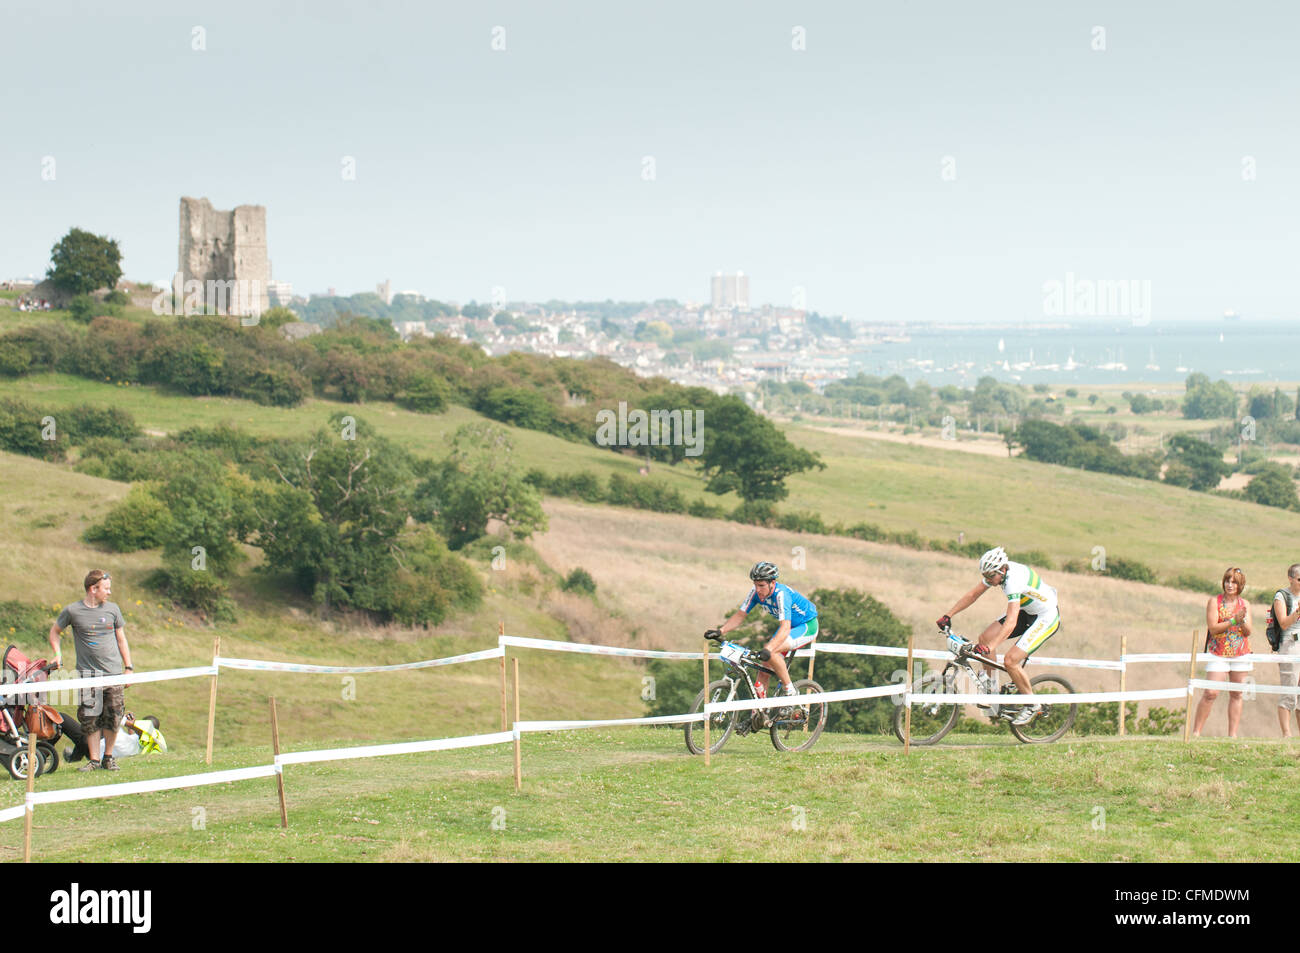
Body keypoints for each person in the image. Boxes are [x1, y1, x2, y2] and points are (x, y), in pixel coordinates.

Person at [935, 546, 1062, 726]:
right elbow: (973, 595)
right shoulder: (998, 572)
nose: (987, 580)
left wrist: (991, 647)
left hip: (1045, 617)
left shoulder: (1012, 581)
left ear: (1002, 570)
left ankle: (1032, 704)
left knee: (1010, 661)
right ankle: (992, 691)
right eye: (985, 576)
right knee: (984, 638)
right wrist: (948, 615)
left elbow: (1010, 622)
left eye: (990, 577)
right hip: (1027, 612)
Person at [47, 569, 135, 771]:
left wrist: (128, 668)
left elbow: (121, 639)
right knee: (90, 719)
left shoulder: (113, 610)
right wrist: (58, 653)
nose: (109, 592)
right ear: (93, 589)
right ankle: (94, 760)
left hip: (113, 674)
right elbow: (55, 632)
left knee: (113, 718)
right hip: (88, 676)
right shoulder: (72, 611)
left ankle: (108, 758)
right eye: (106, 588)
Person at [710, 561, 818, 704]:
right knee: (763, 670)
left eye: (761, 585)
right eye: (755, 585)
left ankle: (790, 692)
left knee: (771, 651)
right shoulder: (755, 593)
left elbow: (785, 627)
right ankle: (759, 713)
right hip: (789, 628)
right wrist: (720, 631)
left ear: (772, 583)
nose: (758, 589)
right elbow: (741, 615)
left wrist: (769, 648)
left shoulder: (781, 594)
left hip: (806, 626)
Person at [1192, 567, 1253, 738]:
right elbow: (1213, 628)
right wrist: (1234, 620)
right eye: (1227, 581)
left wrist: (1242, 622)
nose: (1230, 585)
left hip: (1240, 652)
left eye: (1234, 582)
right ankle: (1196, 732)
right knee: (1211, 693)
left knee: (1237, 693)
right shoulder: (1215, 602)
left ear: (1240, 585)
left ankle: (1232, 735)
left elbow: (1248, 631)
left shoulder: (1245, 604)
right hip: (1218, 652)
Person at [62, 712, 166, 762]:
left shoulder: (148, 735)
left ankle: (46, 755)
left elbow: (145, 729)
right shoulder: (141, 744)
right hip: (96, 747)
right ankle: (73, 759)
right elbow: (134, 736)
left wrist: (125, 721)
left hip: (93, 748)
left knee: (62, 718)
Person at [1270, 564, 1300, 737]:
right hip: (1290, 647)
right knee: (1289, 692)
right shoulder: (1282, 596)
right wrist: (1297, 612)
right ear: (1290, 578)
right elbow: (1283, 623)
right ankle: (1286, 735)